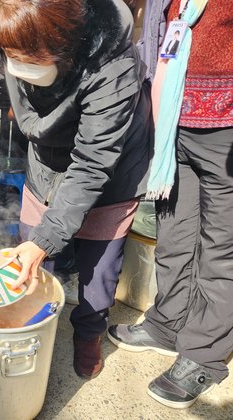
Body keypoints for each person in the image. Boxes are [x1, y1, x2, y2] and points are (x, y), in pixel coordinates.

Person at [0, 0, 153, 379]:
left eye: (27, 57)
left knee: (97, 271)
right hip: (46, 160)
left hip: (109, 171)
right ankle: (33, 325)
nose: (15, 65)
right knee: (28, 261)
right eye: (9, 54)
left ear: (61, 42)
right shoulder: (20, 37)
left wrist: (46, 238)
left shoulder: (109, 61)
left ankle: (88, 334)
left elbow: (91, 164)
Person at [108, 0, 233, 409]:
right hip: (176, 123)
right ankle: (167, 322)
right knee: (173, 233)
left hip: (225, 131)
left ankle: (204, 354)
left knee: (221, 250)